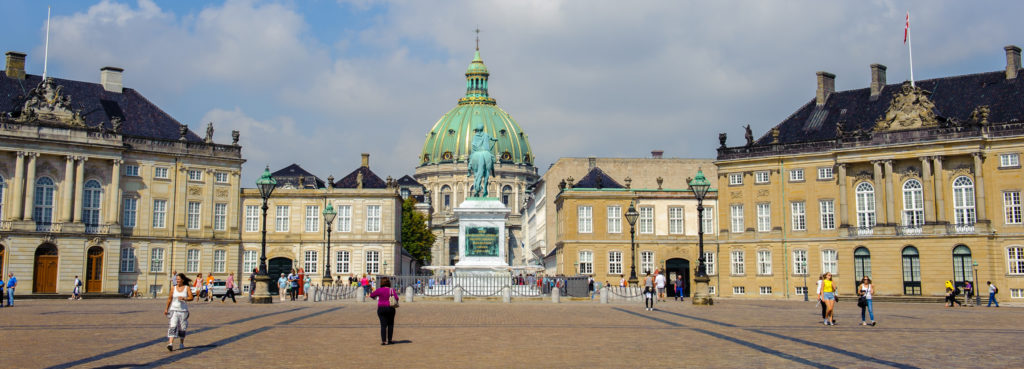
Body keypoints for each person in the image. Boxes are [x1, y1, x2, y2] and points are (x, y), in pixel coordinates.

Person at [164, 273, 195, 351]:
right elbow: (169, 299)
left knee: (182, 328)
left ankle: (181, 343)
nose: (177, 281)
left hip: (183, 311)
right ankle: (170, 343)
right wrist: (166, 309)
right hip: (174, 310)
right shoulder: (173, 288)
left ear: (182, 280)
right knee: (173, 325)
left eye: (178, 279)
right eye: (176, 279)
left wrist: (185, 298)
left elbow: (191, 297)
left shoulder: (186, 288)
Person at [369, 277, 399, 345]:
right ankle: (390, 340)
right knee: (390, 324)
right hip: (390, 307)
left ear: (381, 283)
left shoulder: (379, 290)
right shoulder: (391, 290)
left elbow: (371, 295)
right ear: (389, 283)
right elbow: (397, 298)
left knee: (383, 325)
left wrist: (375, 297)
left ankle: (383, 341)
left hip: (381, 308)